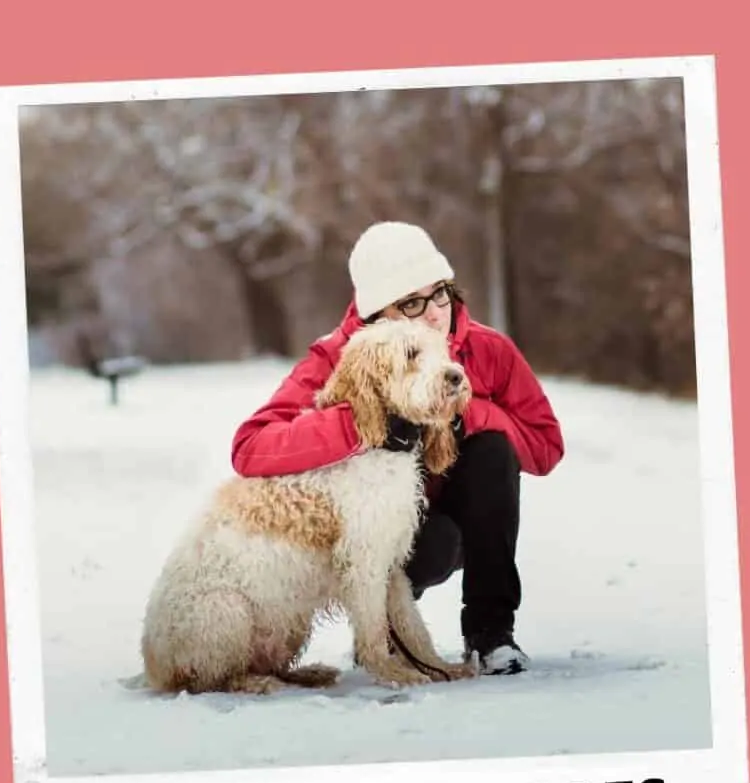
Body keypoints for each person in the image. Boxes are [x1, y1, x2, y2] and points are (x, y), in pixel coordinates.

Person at [231, 221, 565, 675]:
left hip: (469, 515)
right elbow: (251, 448)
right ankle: (383, 628)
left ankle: (491, 635)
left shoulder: (488, 350)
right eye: (411, 302)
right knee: (436, 544)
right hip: (391, 534)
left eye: (440, 293)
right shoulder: (340, 357)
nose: (433, 313)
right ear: (377, 314)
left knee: (492, 451)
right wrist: (361, 425)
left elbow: (546, 447)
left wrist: (473, 415)